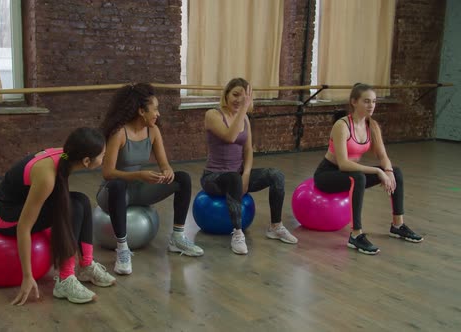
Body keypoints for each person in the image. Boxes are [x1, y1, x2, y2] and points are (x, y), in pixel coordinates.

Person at [0, 127, 115, 305]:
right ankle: (65, 279)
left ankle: (86, 265)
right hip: (5, 216)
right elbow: (23, 227)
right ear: (87, 161)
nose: (105, 158)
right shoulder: (46, 177)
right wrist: (27, 276)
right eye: (102, 155)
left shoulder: (65, 156)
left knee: (82, 201)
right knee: (74, 208)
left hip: (19, 203)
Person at [98, 83, 204, 275]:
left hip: (137, 189)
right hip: (111, 191)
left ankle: (177, 238)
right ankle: (122, 249)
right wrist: (139, 175)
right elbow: (108, 173)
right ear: (141, 111)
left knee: (183, 179)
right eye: (154, 109)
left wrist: (168, 171)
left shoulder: (153, 131)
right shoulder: (119, 133)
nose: (158, 114)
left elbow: (164, 164)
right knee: (118, 185)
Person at [313, 83, 423, 255]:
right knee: (359, 177)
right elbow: (343, 164)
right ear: (354, 102)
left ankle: (398, 225)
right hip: (328, 174)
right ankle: (356, 235)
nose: (371, 105)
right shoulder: (342, 126)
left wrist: (388, 171)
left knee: (396, 172)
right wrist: (378, 172)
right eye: (366, 101)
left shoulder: (372, 126)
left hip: (352, 172)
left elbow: (383, 156)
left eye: (373, 101)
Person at [201, 78, 298, 255]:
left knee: (276, 175)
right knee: (232, 178)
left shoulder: (244, 118)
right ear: (226, 94)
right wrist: (244, 108)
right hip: (214, 178)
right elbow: (230, 137)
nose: (239, 100)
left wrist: (246, 174)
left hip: (237, 175)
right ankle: (237, 233)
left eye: (244, 96)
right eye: (235, 95)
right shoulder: (212, 115)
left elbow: (248, 150)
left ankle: (275, 226)